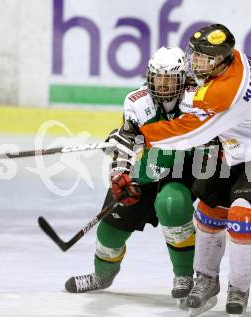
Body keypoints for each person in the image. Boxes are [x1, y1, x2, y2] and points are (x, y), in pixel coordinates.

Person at [114, 24, 251, 316]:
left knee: (242, 215)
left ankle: (238, 289)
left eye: (203, 58)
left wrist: (141, 134)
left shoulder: (226, 92)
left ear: (220, 60)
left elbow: (192, 134)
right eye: (195, 54)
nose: (195, 62)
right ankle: (206, 280)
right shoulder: (233, 59)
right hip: (236, 145)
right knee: (210, 211)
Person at [64, 47, 210, 306]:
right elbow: (128, 140)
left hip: (183, 170)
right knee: (110, 226)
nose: (163, 84)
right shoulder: (136, 101)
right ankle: (102, 275)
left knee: (171, 203)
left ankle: (185, 276)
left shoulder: (197, 99)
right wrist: (119, 172)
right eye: (157, 77)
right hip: (147, 170)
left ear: (183, 78)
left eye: (170, 78)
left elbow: (202, 142)